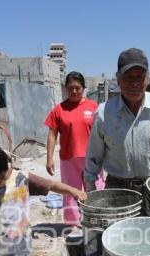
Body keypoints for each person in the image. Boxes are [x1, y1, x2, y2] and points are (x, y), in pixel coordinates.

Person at [84, 48, 150, 192]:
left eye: (139, 76)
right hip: (116, 191)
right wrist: (90, 188)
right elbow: (94, 155)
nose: (134, 83)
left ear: (147, 78)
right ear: (118, 79)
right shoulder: (104, 112)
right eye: (128, 76)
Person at [45, 71, 105, 225]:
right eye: (70, 88)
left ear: (83, 88)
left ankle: (97, 219)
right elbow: (52, 134)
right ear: (65, 88)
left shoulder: (93, 107)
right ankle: (72, 224)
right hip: (68, 159)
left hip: (92, 159)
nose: (74, 91)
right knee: (70, 193)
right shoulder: (59, 109)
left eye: (77, 88)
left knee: (96, 191)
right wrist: (49, 158)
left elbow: (102, 133)